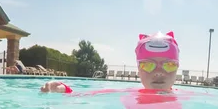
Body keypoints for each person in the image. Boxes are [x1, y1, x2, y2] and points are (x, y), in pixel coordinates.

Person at [39, 31, 180, 94]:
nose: (159, 72)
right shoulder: (129, 94)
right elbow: (91, 94)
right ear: (139, 69)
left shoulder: (187, 96)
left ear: (177, 68)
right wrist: (65, 90)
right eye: (148, 65)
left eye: (169, 65)